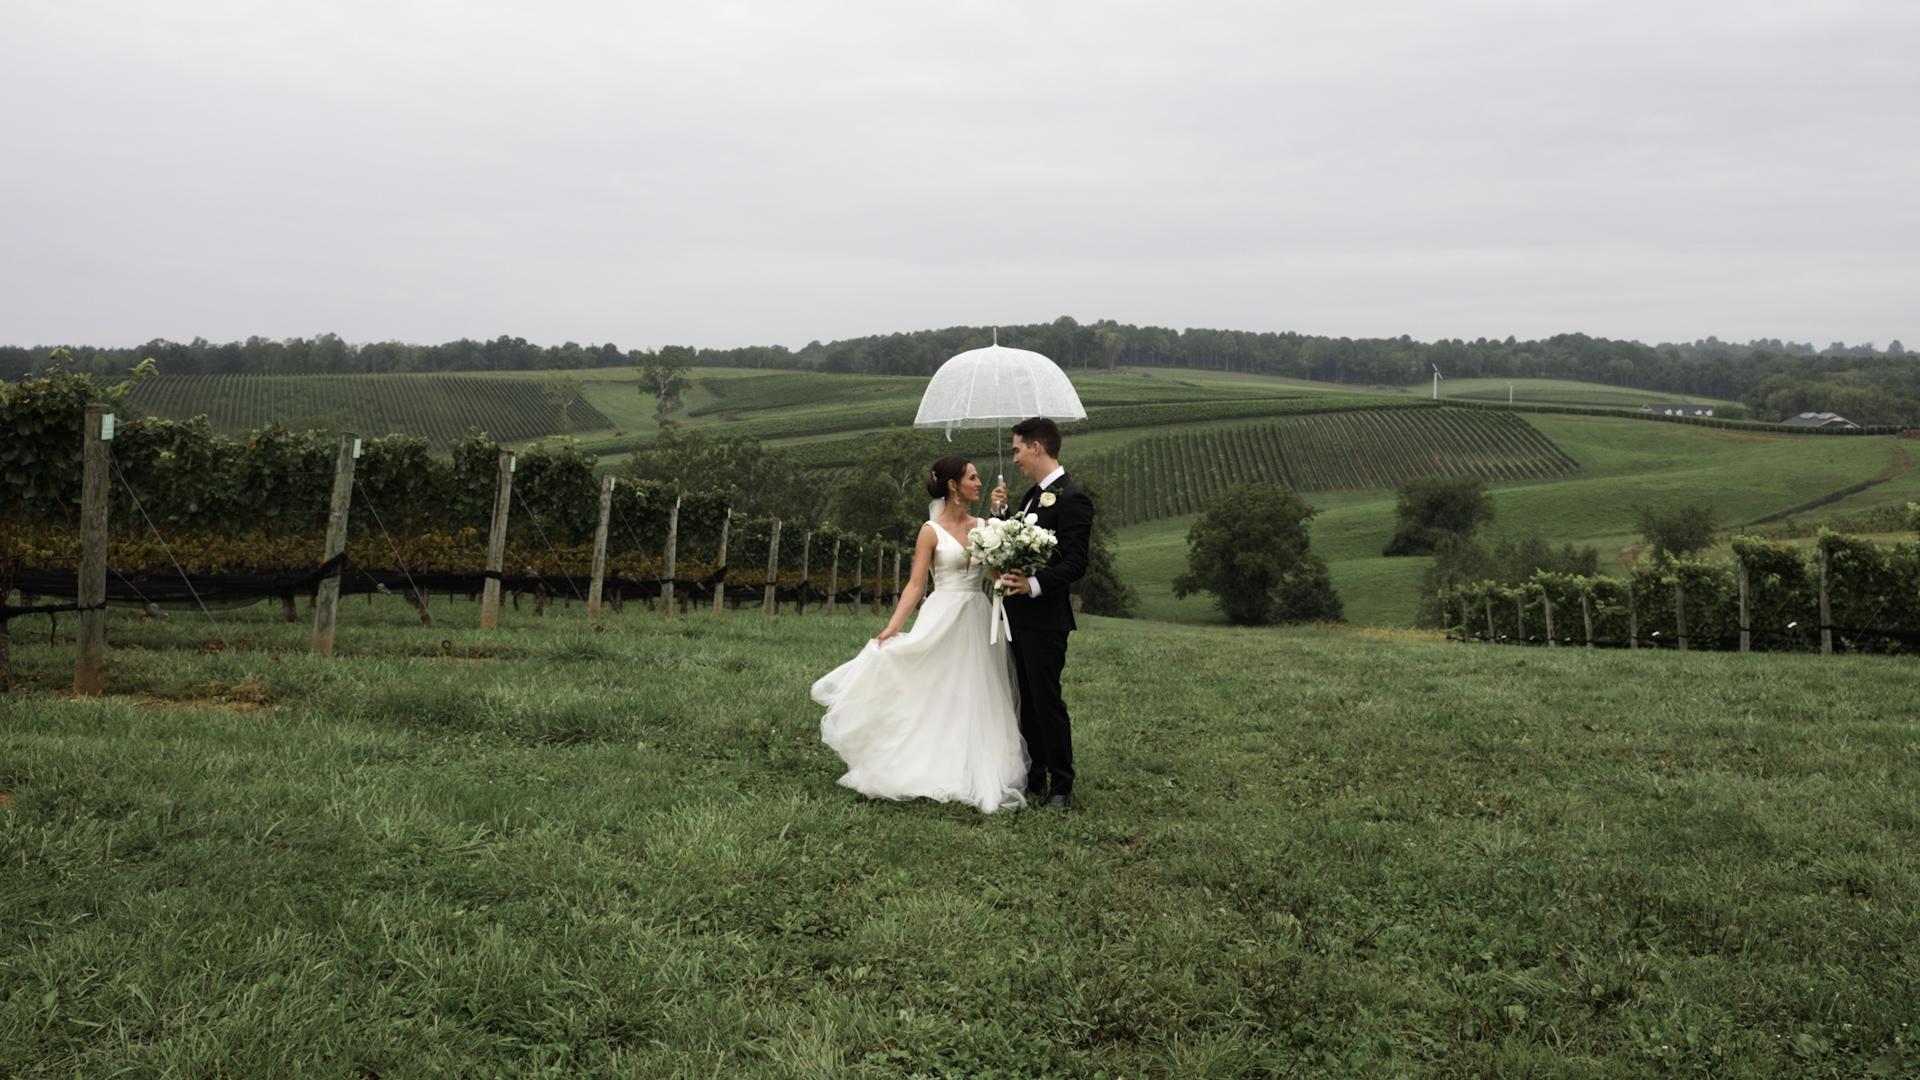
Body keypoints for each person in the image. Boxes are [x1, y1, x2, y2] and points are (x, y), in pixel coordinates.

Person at [810, 455, 1028, 813]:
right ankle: (926, 760)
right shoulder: (930, 531)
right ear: (953, 486)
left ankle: (975, 762)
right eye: (972, 478)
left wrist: (1001, 527)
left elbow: (994, 576)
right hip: (942, 613)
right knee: (937, 686)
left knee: (977, 688)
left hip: (977, 614)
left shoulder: (985, 526)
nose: (979, 483)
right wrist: (893, 627)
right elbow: (915, 585)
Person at [989, 416, 1094, 808]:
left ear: (1036, 447)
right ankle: (1034, 774)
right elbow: (1021, 547)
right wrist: (1002, 516)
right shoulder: (1032, 496)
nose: (1015, 458)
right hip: (1018, 616)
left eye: (1017, 449)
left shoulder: (1072, 498)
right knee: (1026, 698)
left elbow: (1075, 562)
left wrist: (1033, 585)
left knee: (1046, 699)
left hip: (1046, 618)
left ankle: (1062, 785)